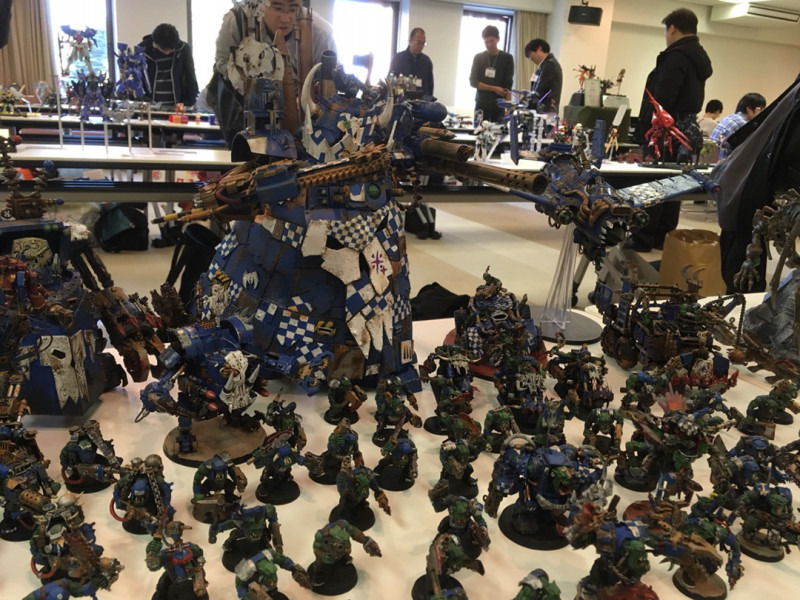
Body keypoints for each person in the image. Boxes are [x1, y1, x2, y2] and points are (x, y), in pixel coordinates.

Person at [628, 8, 712, 253]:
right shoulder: (698, 57)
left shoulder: (676, 57)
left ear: (672, 28)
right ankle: (663, 236)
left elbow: (662, 98)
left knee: (654, 182)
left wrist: (648, 127)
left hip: (664, 130)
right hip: (686, 129)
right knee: (674, 182)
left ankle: (643, 236)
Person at [211, 0, 336, 146]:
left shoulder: (320, 32)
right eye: (278, 8)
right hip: (244, 109)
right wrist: (252, 89)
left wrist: (305, 97)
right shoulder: (236, 22)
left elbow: (329, 76)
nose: (286, 18)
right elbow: (223, 62)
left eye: (293, 9)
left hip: (301, 116)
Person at [141, 23, 198, 107]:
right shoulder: (142, 51)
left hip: (178, 104)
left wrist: (189, 102)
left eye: (172, 50)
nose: (168, 52)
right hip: (150, 105)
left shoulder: (183, 49)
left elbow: (190, 76)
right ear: (156, 44)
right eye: (165, 50)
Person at [469, 25, 513, 123]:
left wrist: (508, 108)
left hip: (499, 107)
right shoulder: (478, 57)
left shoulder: (507, 58)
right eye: (486, 42)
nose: (489, 44)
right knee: (479, 131)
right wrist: (494, 88)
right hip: (481, 105)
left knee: (498, 131)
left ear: (498, 39)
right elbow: (473, 82)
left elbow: (508, 84)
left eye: (491, 41)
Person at [389, 27, 434, 98]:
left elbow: (430, 88)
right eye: (418, 42)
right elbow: (391, 83)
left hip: (421, 102)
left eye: (423, 43)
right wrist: (401, 95)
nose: (421, 46)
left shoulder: (426, 62)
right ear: (410, 41)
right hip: (401, 101)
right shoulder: (398, 59)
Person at [524, 38, 562, 115]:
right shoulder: (544, 65)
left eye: (530, 54)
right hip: (544, 110)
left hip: (546, 111)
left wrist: (528, 107)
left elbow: (540, 90)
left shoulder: (550, 64)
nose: (530, 59)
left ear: (539, 48)